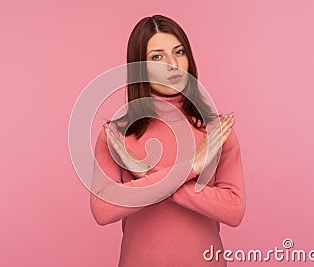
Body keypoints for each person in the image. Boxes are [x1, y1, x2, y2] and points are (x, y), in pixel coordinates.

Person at [90, 14, 245, 267]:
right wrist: (191, 168)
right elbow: (102, 210)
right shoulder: (116, 135)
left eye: (179, 51)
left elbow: (234, 210)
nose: (173, 64)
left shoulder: (216, 131)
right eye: (157, 57)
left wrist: (148, 176)